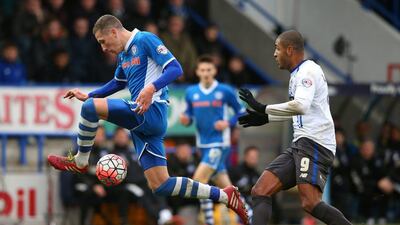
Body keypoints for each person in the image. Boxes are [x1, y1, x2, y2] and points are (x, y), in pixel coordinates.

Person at [46, 14, 248, 224]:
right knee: (161, 185)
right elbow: (117, 83)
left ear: (114, 31)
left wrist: (151, 88)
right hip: (142, 123)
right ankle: (225, 195)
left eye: (103, 42)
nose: (103, 48)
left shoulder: (145, 40)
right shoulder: (124, 55)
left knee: (90, 109)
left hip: (151, 112)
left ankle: (80, 161)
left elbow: (175, 68)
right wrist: (89, 95)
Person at [238, 30, 352, 225]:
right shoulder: (296, 74)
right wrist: (266, 117)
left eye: (277, 48)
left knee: (310, 203)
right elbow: (299, 111)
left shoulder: (308, 71)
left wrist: (262, 107)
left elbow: (301, 105)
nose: (274, 54)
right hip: (301, 144)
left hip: (316, 143)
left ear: (289, 50)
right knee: (260, 190)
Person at [179, 55, 250, 225]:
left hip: (219, 143)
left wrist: (228, 122)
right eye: (202, 70)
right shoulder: (191, 92)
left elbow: (242, 111)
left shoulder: (224, 90)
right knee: (227, 189)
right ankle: (250, 215)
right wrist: (186, 119)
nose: (205, 73)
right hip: (202, 144)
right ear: (197, 72)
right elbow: (188, 115)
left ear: (215, 71)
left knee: (198, 181)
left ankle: (208, 221)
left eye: (209, 70)